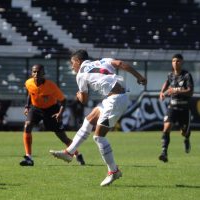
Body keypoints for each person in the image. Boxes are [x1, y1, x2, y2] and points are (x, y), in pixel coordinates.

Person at [50, 49, 147, 186]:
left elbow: (84, 100)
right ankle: (69, 152)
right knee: (89, 120)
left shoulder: (81, 75)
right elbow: (120, 63)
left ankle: (113, 171)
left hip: (116, 101)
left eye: (73, 63)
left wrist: (78, 96)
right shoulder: (102, 61)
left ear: (78, 61)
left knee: (98, 137)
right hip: (116, 97)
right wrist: (139, 77)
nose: (72, 67)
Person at [20, 64, 85, 166]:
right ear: (31, 73)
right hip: (36, 108)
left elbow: (63, 101)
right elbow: (30, 93)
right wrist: (27, 106)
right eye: (34, 72)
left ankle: (77, 154)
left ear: (43, 73)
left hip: (51, 111)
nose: (36, 74)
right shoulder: (28, 82)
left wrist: (60, 113)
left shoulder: (51, 86)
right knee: (27, 126)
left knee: (62, 137)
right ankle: (29, 157)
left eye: (38, 72)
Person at [158, 54, 194, 163]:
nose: (175, 63)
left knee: (184, 132)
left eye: (178, 61)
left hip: (184, 108)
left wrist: (176, 91)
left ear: (182, 62)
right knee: (167, 126)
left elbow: (190, 91)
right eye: (173, 61)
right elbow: (166, 82)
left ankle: (186, 139)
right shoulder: (170, 75)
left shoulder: (187, 75)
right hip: (172, 106)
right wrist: (162, 92)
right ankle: (164, 152)